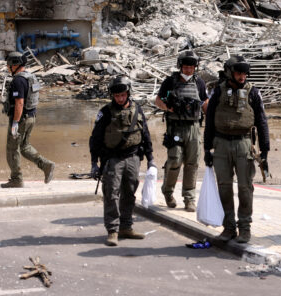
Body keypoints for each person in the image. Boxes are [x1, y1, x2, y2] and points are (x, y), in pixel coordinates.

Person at [202, 55, 269, 244]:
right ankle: (229, 227)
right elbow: (210, 122)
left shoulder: (253, 93)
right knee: (224, 187)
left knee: (245, 188)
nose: (242, 76)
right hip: (221, 144)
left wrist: (265, 151)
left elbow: (262, 122)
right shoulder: (217, 92)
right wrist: (207, 149)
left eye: (245, 73)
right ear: (230, 73)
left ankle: (245, 228)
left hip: (244, 143)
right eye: (239, 72)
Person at [89, 75, 156, 246]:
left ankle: (126, 227)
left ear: (128, 93)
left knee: (129, 193)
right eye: (116, 96)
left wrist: (151, 160)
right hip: (112, 159)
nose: (120, 98)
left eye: (122, 95)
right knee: (111, 194)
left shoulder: (137, 109)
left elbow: (146, 134)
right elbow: (95, 138)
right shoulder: (105, 112)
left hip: (133, 157)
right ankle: (112, 230)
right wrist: (94, 163)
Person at [154, 49, 209, 211]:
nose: (188, 69)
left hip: (193, 127)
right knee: (175, 160)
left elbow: (204, 101)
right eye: (185, 66)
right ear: (180, 66)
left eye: (191, 67)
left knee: (192, 163)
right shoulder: (170, 82)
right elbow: (158, 100)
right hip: (175, 128)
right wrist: (168, 108)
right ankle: (168, 191)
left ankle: (189, 198)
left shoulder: (199, 83)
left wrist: (212, 117)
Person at [0, 51, 54, 188]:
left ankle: (16, 179)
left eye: (8, 65)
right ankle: (46, 165)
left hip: (21, 119)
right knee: (24, 147)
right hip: (31, 117)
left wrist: (15, 123)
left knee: (12, 149)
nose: (7, 68)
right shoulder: (30, 77)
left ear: (14, 65)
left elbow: (19, 103)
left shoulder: (18, 80)